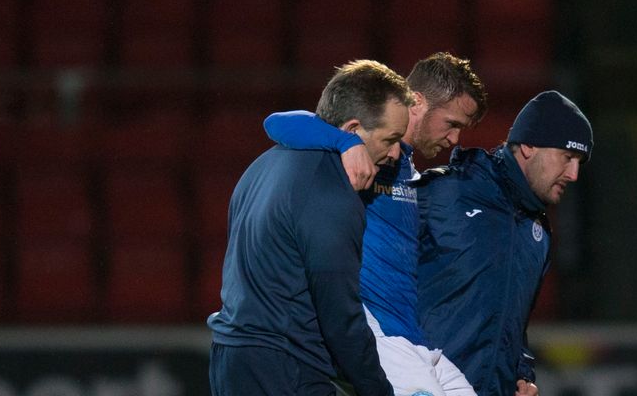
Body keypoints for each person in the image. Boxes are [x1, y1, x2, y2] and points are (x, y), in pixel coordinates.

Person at [264, 52, 488, 396]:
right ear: (417, 102)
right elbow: (276, 123)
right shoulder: (364, 152)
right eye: (452, 123)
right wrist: (346, 143)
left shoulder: (407, 167)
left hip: (415, 338)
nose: (455, 139)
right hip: (378, 335)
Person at [206, 59, 413, 396]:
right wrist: (376, 389)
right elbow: (340, 314)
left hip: (230, 358)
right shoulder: (331, 190)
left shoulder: (261, 166)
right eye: (390, 139)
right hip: (283, 367)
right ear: (352, 130)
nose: (395, 153)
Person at [416, 90, 594, 396]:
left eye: (579, 162)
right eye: (567, 157)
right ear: (528, 146)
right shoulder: (446, 192)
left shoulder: (538, 231)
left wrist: (522, 373)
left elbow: (512, 324)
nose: (574, 174)